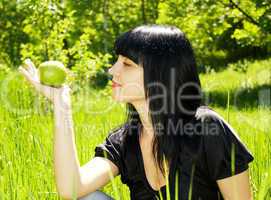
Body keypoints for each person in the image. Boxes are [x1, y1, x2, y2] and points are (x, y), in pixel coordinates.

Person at [18, 24, 254, 200]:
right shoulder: (125, 140)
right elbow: (71, 188)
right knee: (88, 197)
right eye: (116, 61)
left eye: (127, 64)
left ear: (161, 74)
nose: (112, 70)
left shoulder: (207, 128)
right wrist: (61, 105)